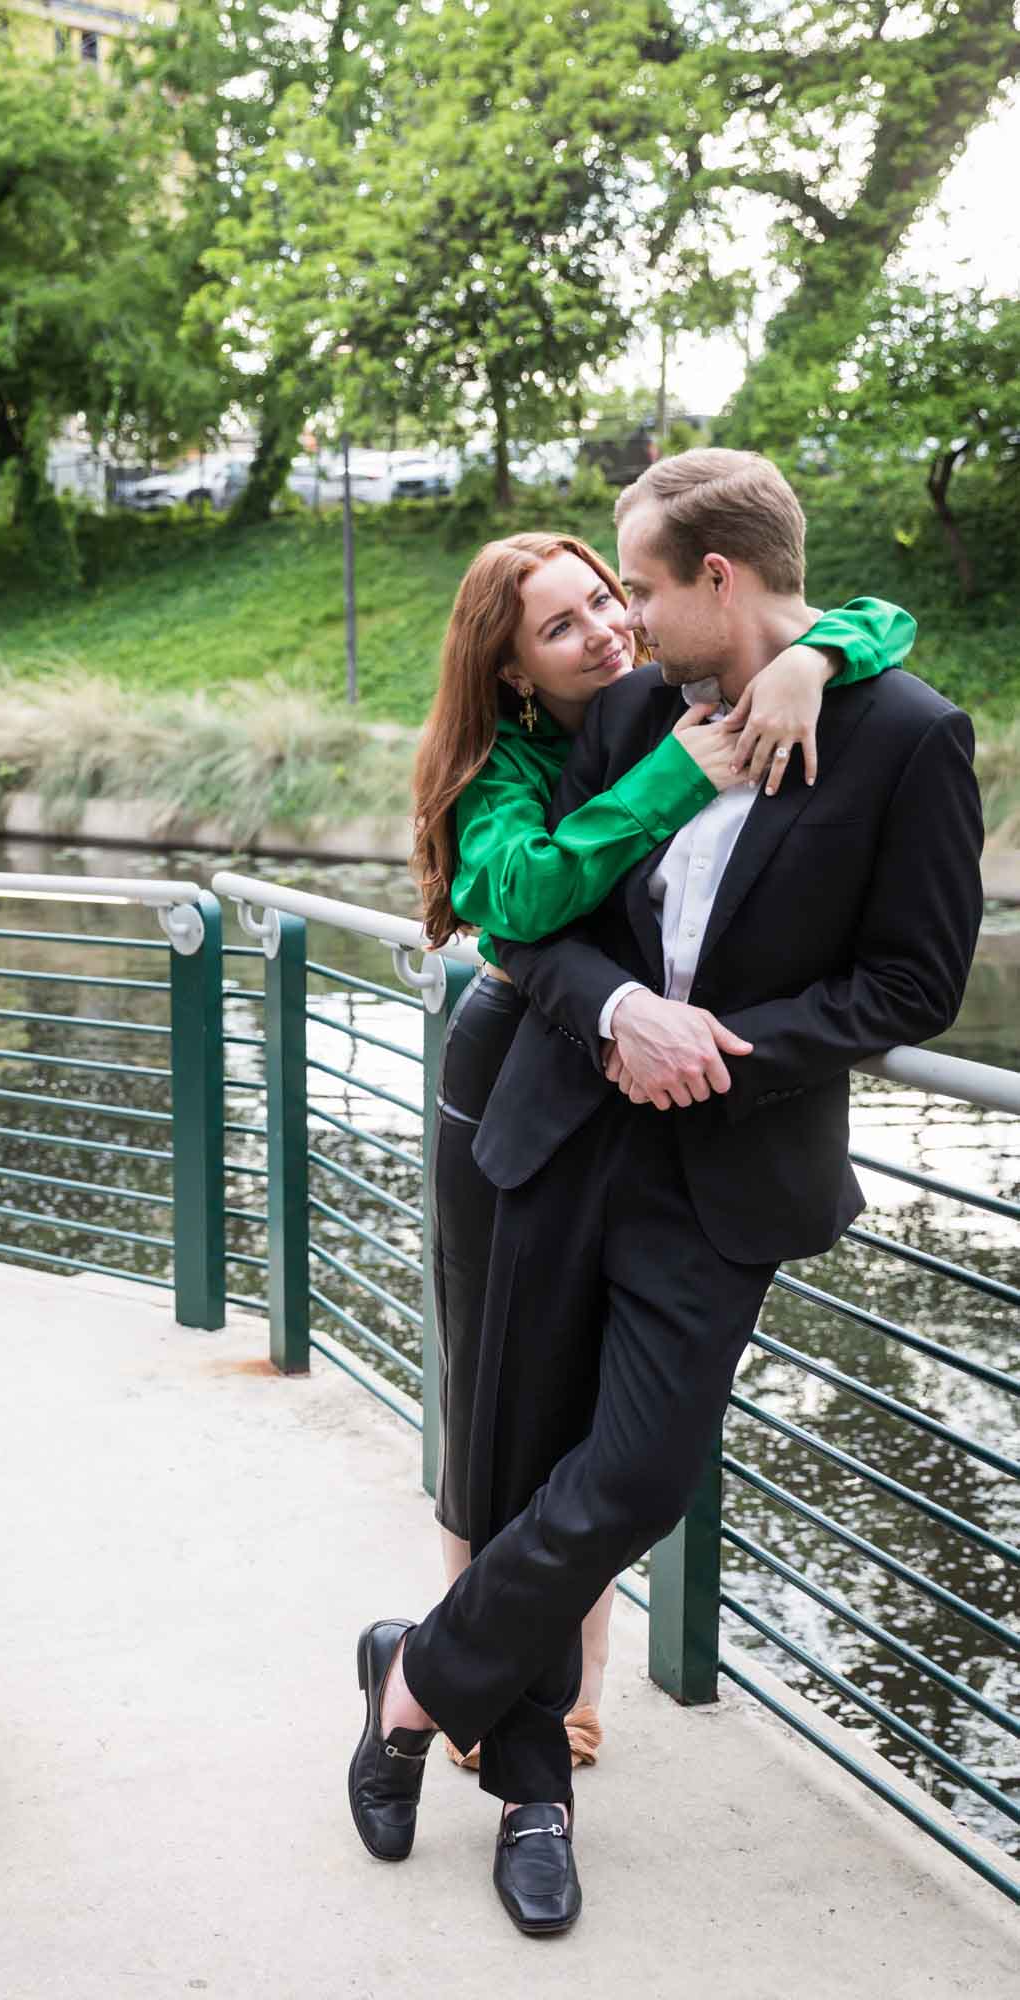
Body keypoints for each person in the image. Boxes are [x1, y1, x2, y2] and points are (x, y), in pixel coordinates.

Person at [352, 449, 984, 1937]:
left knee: (635, 1474)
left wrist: (719, 1055)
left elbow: (915, 981)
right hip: (559, 1136)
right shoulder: (634, 716)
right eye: (598, 601)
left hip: (727, 1174)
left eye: (635, 588)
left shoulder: (909, 736)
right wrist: (617, 1017)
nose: (622, 625)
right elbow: (543, 930)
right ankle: (531, 1801)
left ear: (717, 581)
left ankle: (412, 1677)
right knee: (516, 1463)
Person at [414, 535, 915, 1771]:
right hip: (513, 1074)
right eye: (565, 624)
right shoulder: (513, 761)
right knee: (502, 1402)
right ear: (514, 669)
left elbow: (864, 607)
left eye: (607, 598)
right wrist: (668, 784)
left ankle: (535, 1686)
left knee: (607, 1437)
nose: (607, 629)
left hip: (652, 1094)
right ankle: (493, 1679)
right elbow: (520, 908)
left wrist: (816, 658)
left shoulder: (658, 698)